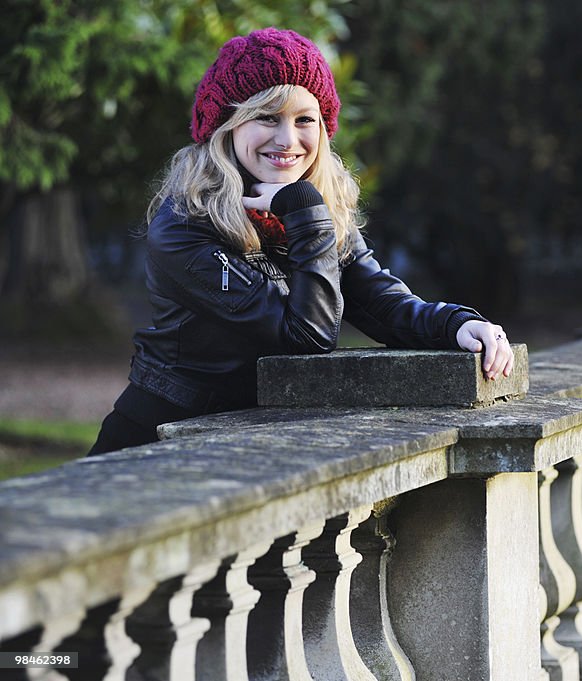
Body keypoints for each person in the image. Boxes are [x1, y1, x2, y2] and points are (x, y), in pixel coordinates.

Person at [88, 27, 513, 455]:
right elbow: (306, 338)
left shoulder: (309, 210)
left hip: (255, 442)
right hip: (157, 442)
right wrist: (304, 211)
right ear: (227, 126)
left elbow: (379, 302)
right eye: (267, 117)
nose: (288, 140)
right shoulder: (185, 224)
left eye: (304, 119)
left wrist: (458, 323)